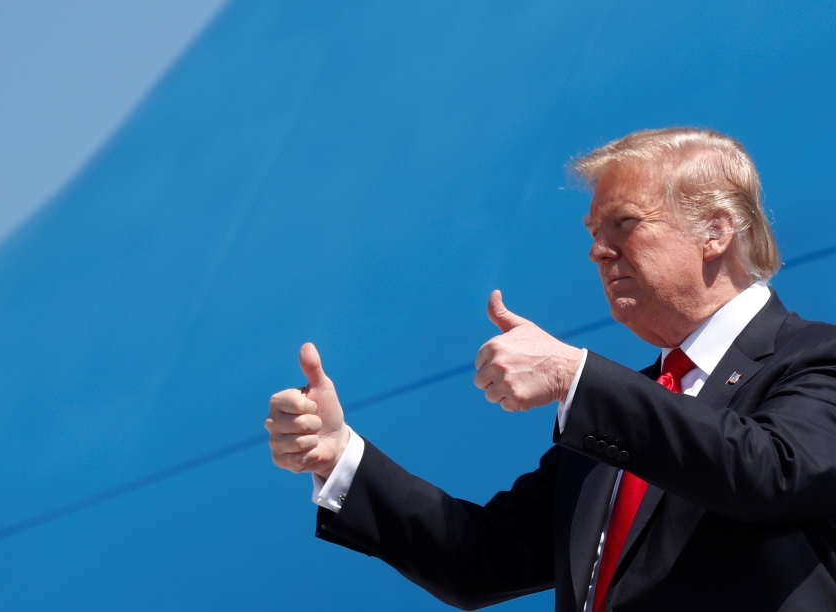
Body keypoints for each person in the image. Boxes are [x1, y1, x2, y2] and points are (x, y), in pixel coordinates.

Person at [264, 128, 836, 611]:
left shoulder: (813, 357)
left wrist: (574, 376)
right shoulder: (624, 408)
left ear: (715, 231)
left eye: (624, 223)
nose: (598, 250)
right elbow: (480, 559)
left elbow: (769, 471)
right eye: (593, 232)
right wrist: (339, 457)